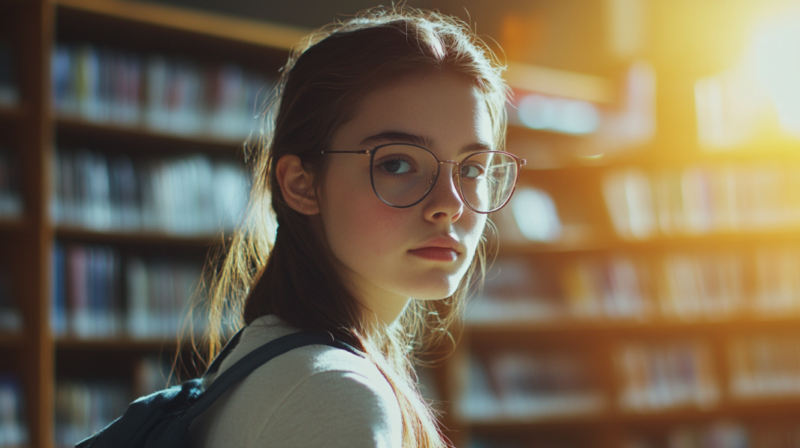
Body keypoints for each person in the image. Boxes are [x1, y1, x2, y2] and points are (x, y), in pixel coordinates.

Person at [186, 6, 525, 448]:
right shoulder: (334, 393)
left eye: (473, 169)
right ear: (302, 183)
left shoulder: (268, 355)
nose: (450, 205)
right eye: (397, 163)